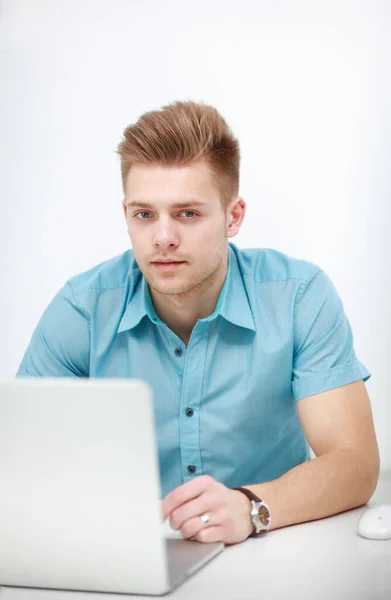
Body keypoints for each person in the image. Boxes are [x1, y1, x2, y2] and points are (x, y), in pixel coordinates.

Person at [16, 101, 380, 545]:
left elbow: (355, 463)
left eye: (187, 213)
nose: (163, 237)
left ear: (233, 216)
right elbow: (21, 463)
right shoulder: (82, 310)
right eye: (144, 214)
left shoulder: (299, 297)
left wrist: (250, 506)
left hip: (272, 551)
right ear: (126, 215)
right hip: (122, 553)